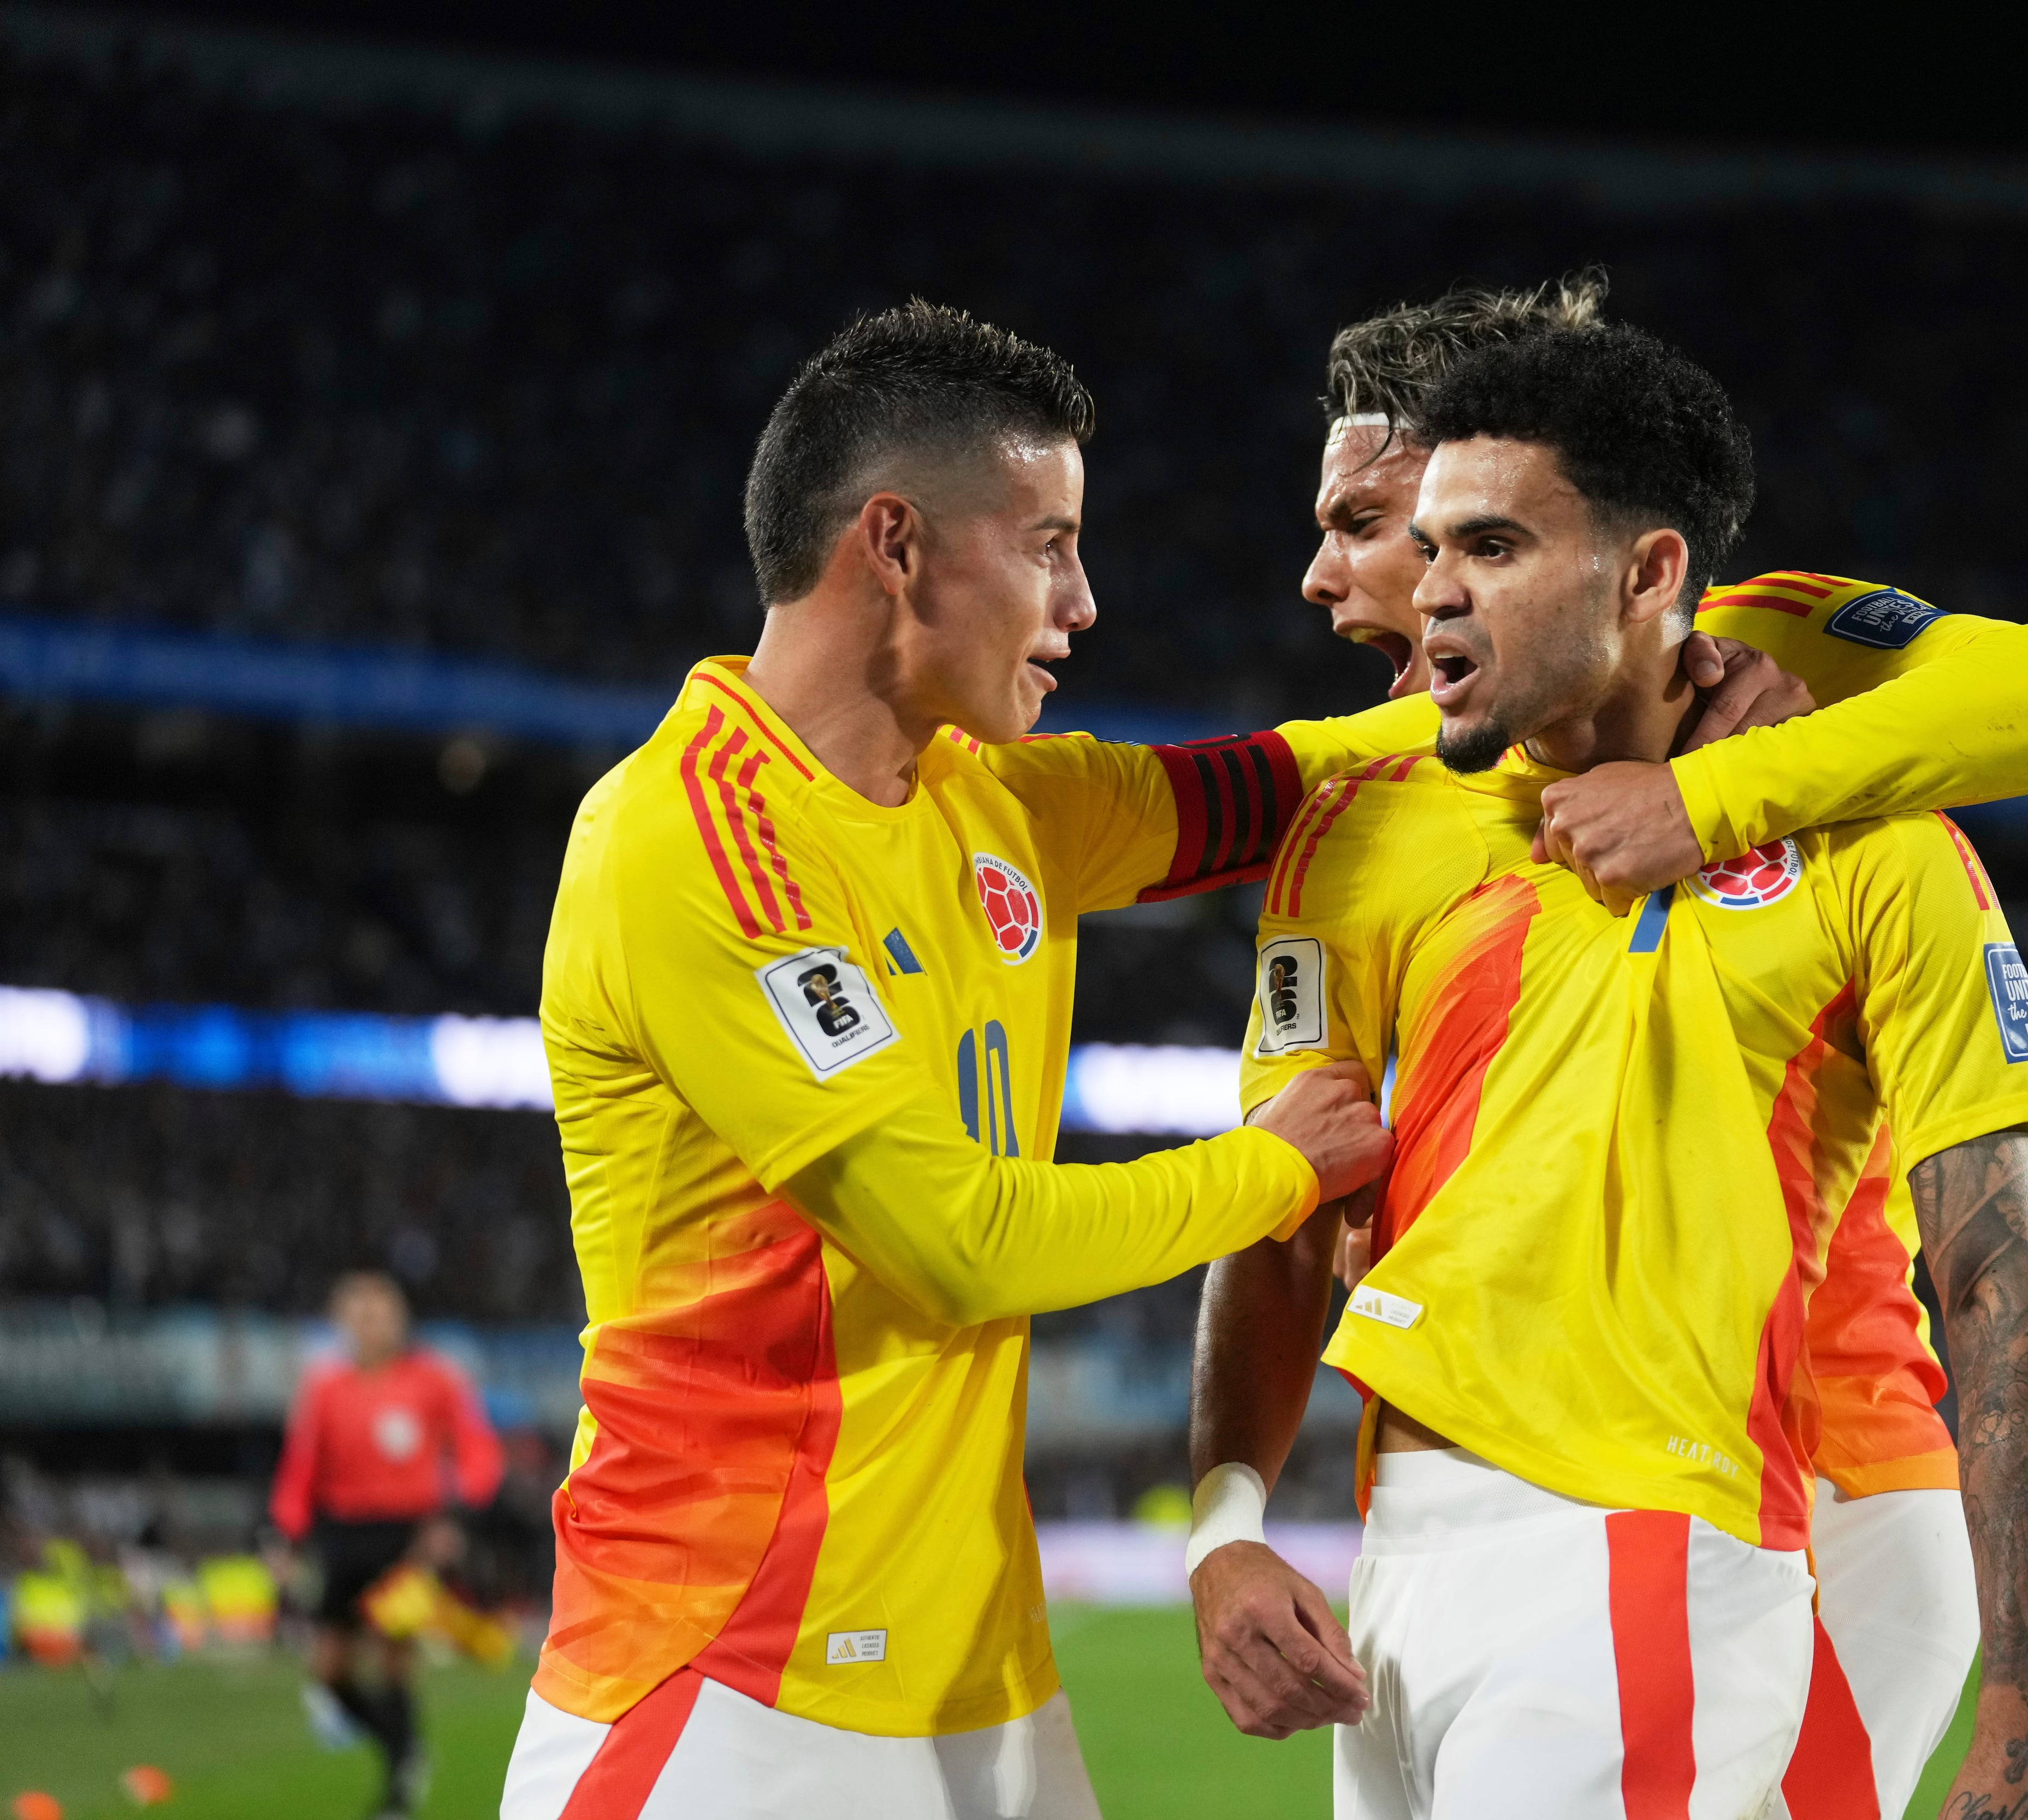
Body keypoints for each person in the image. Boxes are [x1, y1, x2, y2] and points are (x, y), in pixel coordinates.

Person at [1202, 274, 2028, 1818]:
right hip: (1448, 1518)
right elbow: (1294, 1193)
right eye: (1412, 536)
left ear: (1640, 568)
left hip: (1786, 1471)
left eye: (1395, 523)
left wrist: (1730, 797)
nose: (1351, 577)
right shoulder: (1376, 810)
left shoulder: (1789, 686)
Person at [495, 301, 1404, 1819]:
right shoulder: (687, 839)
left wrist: (1679, 669)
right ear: (897, 543)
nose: (1084, 600)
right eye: (1049, 544)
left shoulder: (997, 800)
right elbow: (960, 1243)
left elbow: (1308, 778)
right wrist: (1277, 1169)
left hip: (987, 1688)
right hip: (730, 1678)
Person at [271, 1270, 503, 1820]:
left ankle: (397, 1795)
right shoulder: (324, 1388)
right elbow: (301, 1470)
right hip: (344, 1536)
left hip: (409, 1539)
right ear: (342, 1322)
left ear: (400, 1319)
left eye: (382, 1312)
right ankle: (404, 1750)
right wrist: (285, 1536)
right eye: (361, 1313)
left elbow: (477, 1454)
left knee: (393, 1660)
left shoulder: (434, 1381)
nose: (373, 1323)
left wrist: (456, 1519)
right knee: (330, 1674)